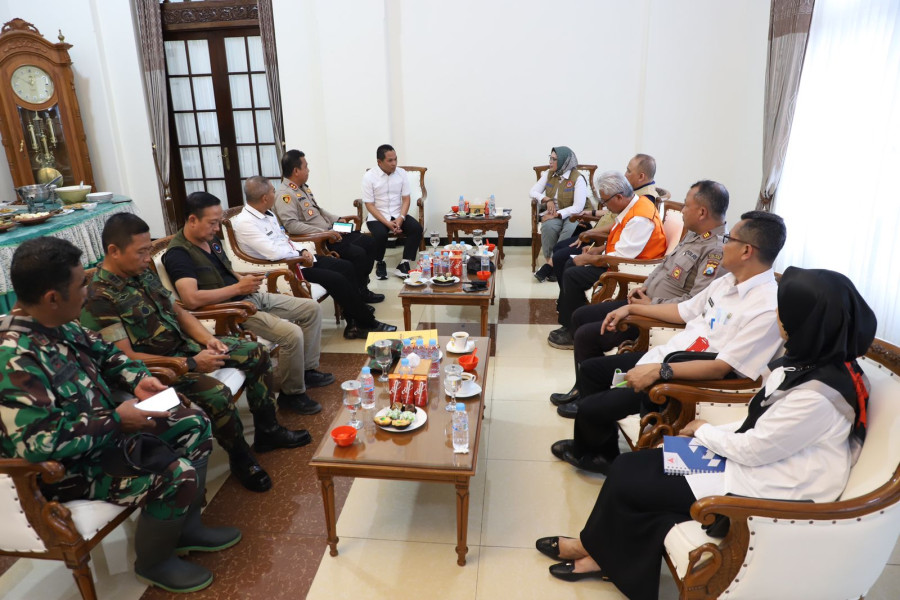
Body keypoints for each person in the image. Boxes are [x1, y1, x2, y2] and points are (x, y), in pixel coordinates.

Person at [535, 267, 876, 600]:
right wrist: (704, 435)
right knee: (632, 468)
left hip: (773, 484)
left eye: (784, 312)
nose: (778, 317)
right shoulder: (813, 361)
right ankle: (596, 548)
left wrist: (704, 431)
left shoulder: (817, 395)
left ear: (808, 322)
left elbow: (756, 448)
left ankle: (595, 552)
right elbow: (759, 424)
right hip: (755, 459)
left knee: (631, 479)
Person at [0, 237, 241, 593]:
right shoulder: (12, 357)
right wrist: (116, 420)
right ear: (52, 297)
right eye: (81, 283)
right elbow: (39, 445)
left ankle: (187, 529)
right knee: (176, 474)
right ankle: (154, 562)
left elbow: (108, 355)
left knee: (193, 423)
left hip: (104, 435)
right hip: (63, 471)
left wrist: (140, 379)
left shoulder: (59, 323)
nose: (88, 289)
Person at [82, 213, 312, 493]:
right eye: (141, 252)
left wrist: (207, 340)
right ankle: (241, 457)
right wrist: (190, 362)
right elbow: (125, 357)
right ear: (114, 251)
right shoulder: (100, 298)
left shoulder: (140, 273)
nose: (147, 258)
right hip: (159, 371)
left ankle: (268, 431)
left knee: (255, 353)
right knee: (217, 394)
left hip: (186, 347)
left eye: (148, 250)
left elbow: (177, 310)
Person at [552, 211, 787, 475]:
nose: (722, 244)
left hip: (685, 378)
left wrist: (659, 372)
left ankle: (595, 452)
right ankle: (600, 450)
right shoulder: (727, 281)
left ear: (746, 250)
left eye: (728, 239)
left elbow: (722, 367)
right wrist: (632, 311)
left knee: (589, 408)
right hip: (671, 356)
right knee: (592, 371)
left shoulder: (766, 307)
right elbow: (682, 311)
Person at [550, 180, 728, 405]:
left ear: (702, 212)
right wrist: (645, 287)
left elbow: (696, 303)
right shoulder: (695, 234)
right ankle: (582, 388)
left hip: (658, 316)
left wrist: (653, 302)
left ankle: (590, 399)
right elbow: (664, 267)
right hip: (645, 302)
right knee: (580, 316)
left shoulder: (715, 251)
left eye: (686, 205)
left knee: (587, 334)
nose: (682, 211)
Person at [163, 191, 333, 416]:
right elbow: (191, 299)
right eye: (213, 223)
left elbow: (224, 271)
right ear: (192, 220)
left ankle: (307, 370)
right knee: (291, 334)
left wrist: (241, 278)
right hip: (233, 311)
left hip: (246, 296)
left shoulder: (209, 240)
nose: (217, 229)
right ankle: (292, 395)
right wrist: (237, 288)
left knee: (310, 308)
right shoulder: (179, 254)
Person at [234, 176, 397, 339]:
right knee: (337, 279)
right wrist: (300, 255)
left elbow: (285, 239)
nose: (275, 194)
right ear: (265, 198)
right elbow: (272, 252)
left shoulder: (267, 214)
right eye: (272, 191)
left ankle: (354, 323)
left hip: (298, 258)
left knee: (346, 266)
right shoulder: (246, 222)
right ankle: (368, 324)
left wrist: (303, 249)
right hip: (286, 267)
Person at [548, 170, 668, 349]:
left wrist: (590, 259)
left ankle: (573, 332)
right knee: (569, 264)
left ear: (619, 197)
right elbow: (621, 241)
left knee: (573, 273)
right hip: (622, 262)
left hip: (630, 270)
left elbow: (621, 258)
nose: (604, 206)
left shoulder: (640, 218)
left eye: (605, 201)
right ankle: (570, 323)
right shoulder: (634, 205)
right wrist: (597, 250)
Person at [273, 149, 384, 304]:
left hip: (330, 229)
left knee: (369, 241)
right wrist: (324, 232)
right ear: (296, 171)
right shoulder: (284, 195)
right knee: (358, 253)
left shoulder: (302, 187)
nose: (308, 169)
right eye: (306, 166)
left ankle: (361, 288)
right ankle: (358, 295)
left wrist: (338, 219)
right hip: (321, 239)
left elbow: (319, 211)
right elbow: (292, 226)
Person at [547, 153, 661, 285]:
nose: (625, 174)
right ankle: (562, 292)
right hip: (606, 241)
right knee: (561, 250)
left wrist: (593, 240)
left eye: (629, 171)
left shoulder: (645, 201)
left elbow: (624, 248)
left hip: (606, 243)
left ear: (641, 176)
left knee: (564, 260)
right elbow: (615, 217)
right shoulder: (634, 194)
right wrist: (593, 213)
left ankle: (559, 286)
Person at [361, 144, 423, 279]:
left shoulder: (401, 173)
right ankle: (379, 262)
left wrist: (401, 218)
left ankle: (404, 263)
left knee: (416, 228)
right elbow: (369, 205)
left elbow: (406, 199)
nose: (394, 163)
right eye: (390, 160)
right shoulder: (369, 176)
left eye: (395, 159)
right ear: (379, 162)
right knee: (381, 234)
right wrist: (387, 223)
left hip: (397, 213)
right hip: (377, 216)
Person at [531, 146, 589, 282]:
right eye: (550, 158)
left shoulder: (577, 178)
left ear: (564, 161)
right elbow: (532, 192)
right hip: (554, 213)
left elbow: (578, 207)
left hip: (574, 214)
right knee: (548, 227)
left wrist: (557, 214)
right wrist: (546, 199)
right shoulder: (549, 174)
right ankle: (553, 266)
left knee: (570, 229)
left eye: (554, 159)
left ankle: (550, 266)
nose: (550, 162)